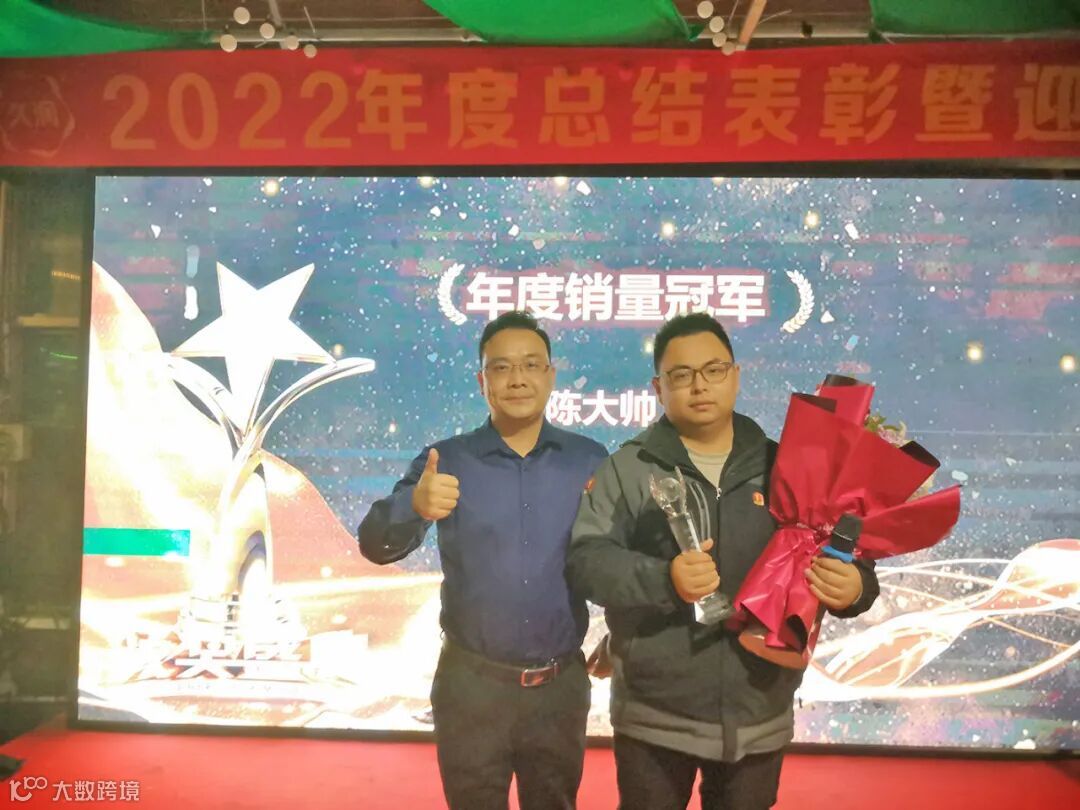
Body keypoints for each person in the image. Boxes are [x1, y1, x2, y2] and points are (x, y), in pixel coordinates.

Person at [566, 312, 879, 810]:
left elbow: (846, 552)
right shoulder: (628, 469)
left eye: (713, 370)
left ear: (735, 376)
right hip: (654, 717)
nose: (699, 386)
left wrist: (854, 588)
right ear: (658, 388)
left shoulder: (788, 465)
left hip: (758, 711)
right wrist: (664, 578)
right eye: (681, 375)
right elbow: (586, 562)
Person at [357, 310, 608, 810]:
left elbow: (616, 555)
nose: (517, 379)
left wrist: (624, 632)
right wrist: (414, 506)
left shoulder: (589, 460)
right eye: (502, 367)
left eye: (531, 365)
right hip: (470, 688)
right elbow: (375, 545)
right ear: (482, 381)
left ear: (550, 376)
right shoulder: (446, 461)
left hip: (558, 689)